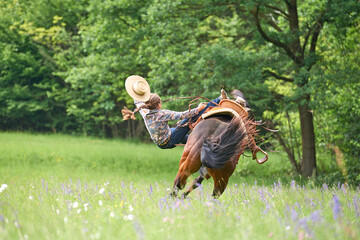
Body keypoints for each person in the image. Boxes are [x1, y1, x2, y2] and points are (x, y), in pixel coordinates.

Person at [123, 75, 227, 149]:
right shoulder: (162, 114)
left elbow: (137, 99)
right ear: (158, 105)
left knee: (190, 139)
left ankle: (206, 146)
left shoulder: (144, 110)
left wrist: (137, 89)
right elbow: (183, 115)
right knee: (188, 119)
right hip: (169, 140)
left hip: (164, 140)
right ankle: (219, 100)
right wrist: (198, 109)